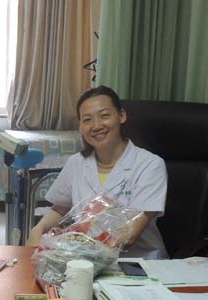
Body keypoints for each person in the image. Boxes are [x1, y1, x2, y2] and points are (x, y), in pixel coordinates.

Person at [26, 85, 168, 259]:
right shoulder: (76, 163)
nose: (96, 126)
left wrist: (73, 245)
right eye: (87, 120)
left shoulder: (150, 165)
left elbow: (130, 235)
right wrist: (38, 229)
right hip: (84, 259)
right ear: (80, 126)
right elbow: (60, 209)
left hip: (136, 262)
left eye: (104, 116)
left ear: (121, 116)